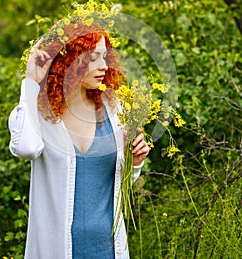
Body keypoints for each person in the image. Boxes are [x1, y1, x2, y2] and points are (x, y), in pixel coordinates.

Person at [8, 19, 150, 259]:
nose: (103, 65)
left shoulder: (115, 110)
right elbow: (26, 148)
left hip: (109, 251)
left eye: (105, 57)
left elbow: (118, 184)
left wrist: (135, 162)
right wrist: (31, 82)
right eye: (93, 57)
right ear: (69, 59)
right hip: (56, 251)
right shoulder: (38, 112)